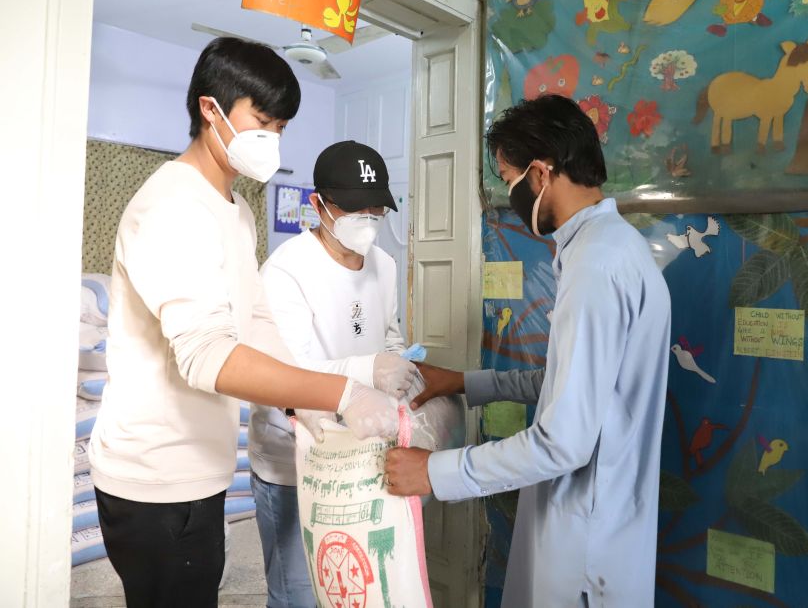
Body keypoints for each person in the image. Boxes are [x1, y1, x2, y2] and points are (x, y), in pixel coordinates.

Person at [88, 38, 399, 608]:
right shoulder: (173, 206)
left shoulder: (235, 208)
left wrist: (305, 402)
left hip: (199, 469)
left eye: (281, 127)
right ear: (211, 110)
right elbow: (207, 354)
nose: (273, 139)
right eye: (263, 121)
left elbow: (254, 321)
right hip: (156, 476)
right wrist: (341, 392)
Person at [384, 94, 672, 607]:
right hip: (598, 525)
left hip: (585, 545)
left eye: (508, 179)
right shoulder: (609, 248)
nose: (509, 195)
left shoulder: (597, 267)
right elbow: (569, 385)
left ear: (540, 174)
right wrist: (466, 382)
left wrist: (433, 470)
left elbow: (563, 443)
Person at [249, 140, 419, 607]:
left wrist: (399, 367)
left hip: (365, 455)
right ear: (318, 204)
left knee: (358, 587)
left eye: (374, 209)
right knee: (301, 594)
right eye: (353, 209)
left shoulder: (384, 265)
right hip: (295, 461)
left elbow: (389, 338)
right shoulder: (286, 271)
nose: (367, 219)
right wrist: (368, 369)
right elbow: (284, 374)